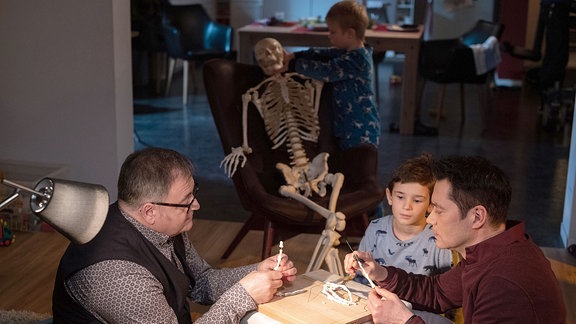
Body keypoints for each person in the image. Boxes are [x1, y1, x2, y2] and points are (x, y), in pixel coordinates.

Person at [52, 147, 297, 323]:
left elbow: (201, 282)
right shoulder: (119, 276)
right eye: (186, 201)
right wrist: (242, 295)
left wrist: (256, 273)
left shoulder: (162, 225)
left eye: (194, 193)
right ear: (150, 211)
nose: (197, 205)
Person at [344, 155, 566, 323]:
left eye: (438, 210)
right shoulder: (491, 251)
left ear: (477, 216)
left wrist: (403, 321)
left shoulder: (504, 283)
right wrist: (381, 273)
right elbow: (437, 292)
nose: (430, 219)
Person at [282, 0, 380, 150]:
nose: (329, 36)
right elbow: (324, 54)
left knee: (356, 168)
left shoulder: (357, 60)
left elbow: (327, 71)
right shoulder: (347, 52)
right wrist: (295, 55)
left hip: (360, 132)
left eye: (333, 31)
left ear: (350, 34)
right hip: (348, 127)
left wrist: (293, 66)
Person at [354, 153, 452, 287]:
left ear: (431, 204)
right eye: (400, 197)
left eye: (417, 200)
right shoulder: (375, 228)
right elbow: (360, 278)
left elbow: (445, 292)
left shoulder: (439, 239)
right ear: (389, 196)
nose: (407, 207)